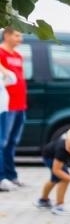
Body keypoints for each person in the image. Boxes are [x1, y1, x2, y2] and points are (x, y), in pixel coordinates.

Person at [36, 126, 70, 215]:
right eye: (69, 147)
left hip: (60, 160)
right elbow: (56, 170)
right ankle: (59, 206)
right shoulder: (61, 149)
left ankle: (43, 200)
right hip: (50, 157)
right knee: (63, 178)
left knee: (54, 179)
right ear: (66, 141)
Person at [0, 26, 26, 191]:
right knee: (2, 142)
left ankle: (11, 175)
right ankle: (2, 177)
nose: (20, 39)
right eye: (17, 35)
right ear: (7, 35)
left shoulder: (17, 55)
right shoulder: (0, 53)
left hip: (20, 105)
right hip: (6, 106)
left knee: (12, 142)